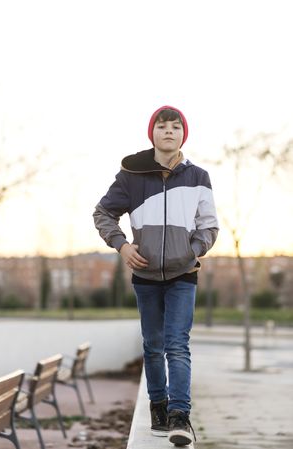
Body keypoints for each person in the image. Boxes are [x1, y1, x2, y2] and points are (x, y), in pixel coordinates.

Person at [93, 105, 219, 447]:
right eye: (162, 126)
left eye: (175, 127)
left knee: (177, 345)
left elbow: (209, 226)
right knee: (153, 346)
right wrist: (121, 246)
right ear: (152, 133)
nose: (168, 131)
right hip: (146, 275)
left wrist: (192, 250)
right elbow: (103, 213)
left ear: (183, 134)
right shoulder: (131, 176)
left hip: (183, 274)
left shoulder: (198, 178)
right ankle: (158, 409)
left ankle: (180, 416)